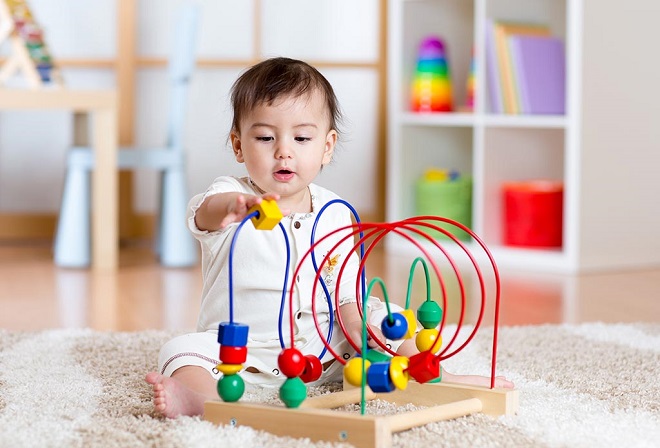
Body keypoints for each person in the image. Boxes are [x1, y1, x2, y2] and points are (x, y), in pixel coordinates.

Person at [145, 57, 513, 419]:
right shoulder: (230, 196)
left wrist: (354, 324)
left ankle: (438, 377)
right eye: (265, 137)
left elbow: (347, 288)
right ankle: (201, 400)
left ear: (327, 147)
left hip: (325, 352)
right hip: (241, 354)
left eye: (302, 137)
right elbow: (205, 213)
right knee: (181, 350)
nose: (284, 150)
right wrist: (236, 207)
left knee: (390, 318)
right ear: (239, 145)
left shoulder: (335, 211)